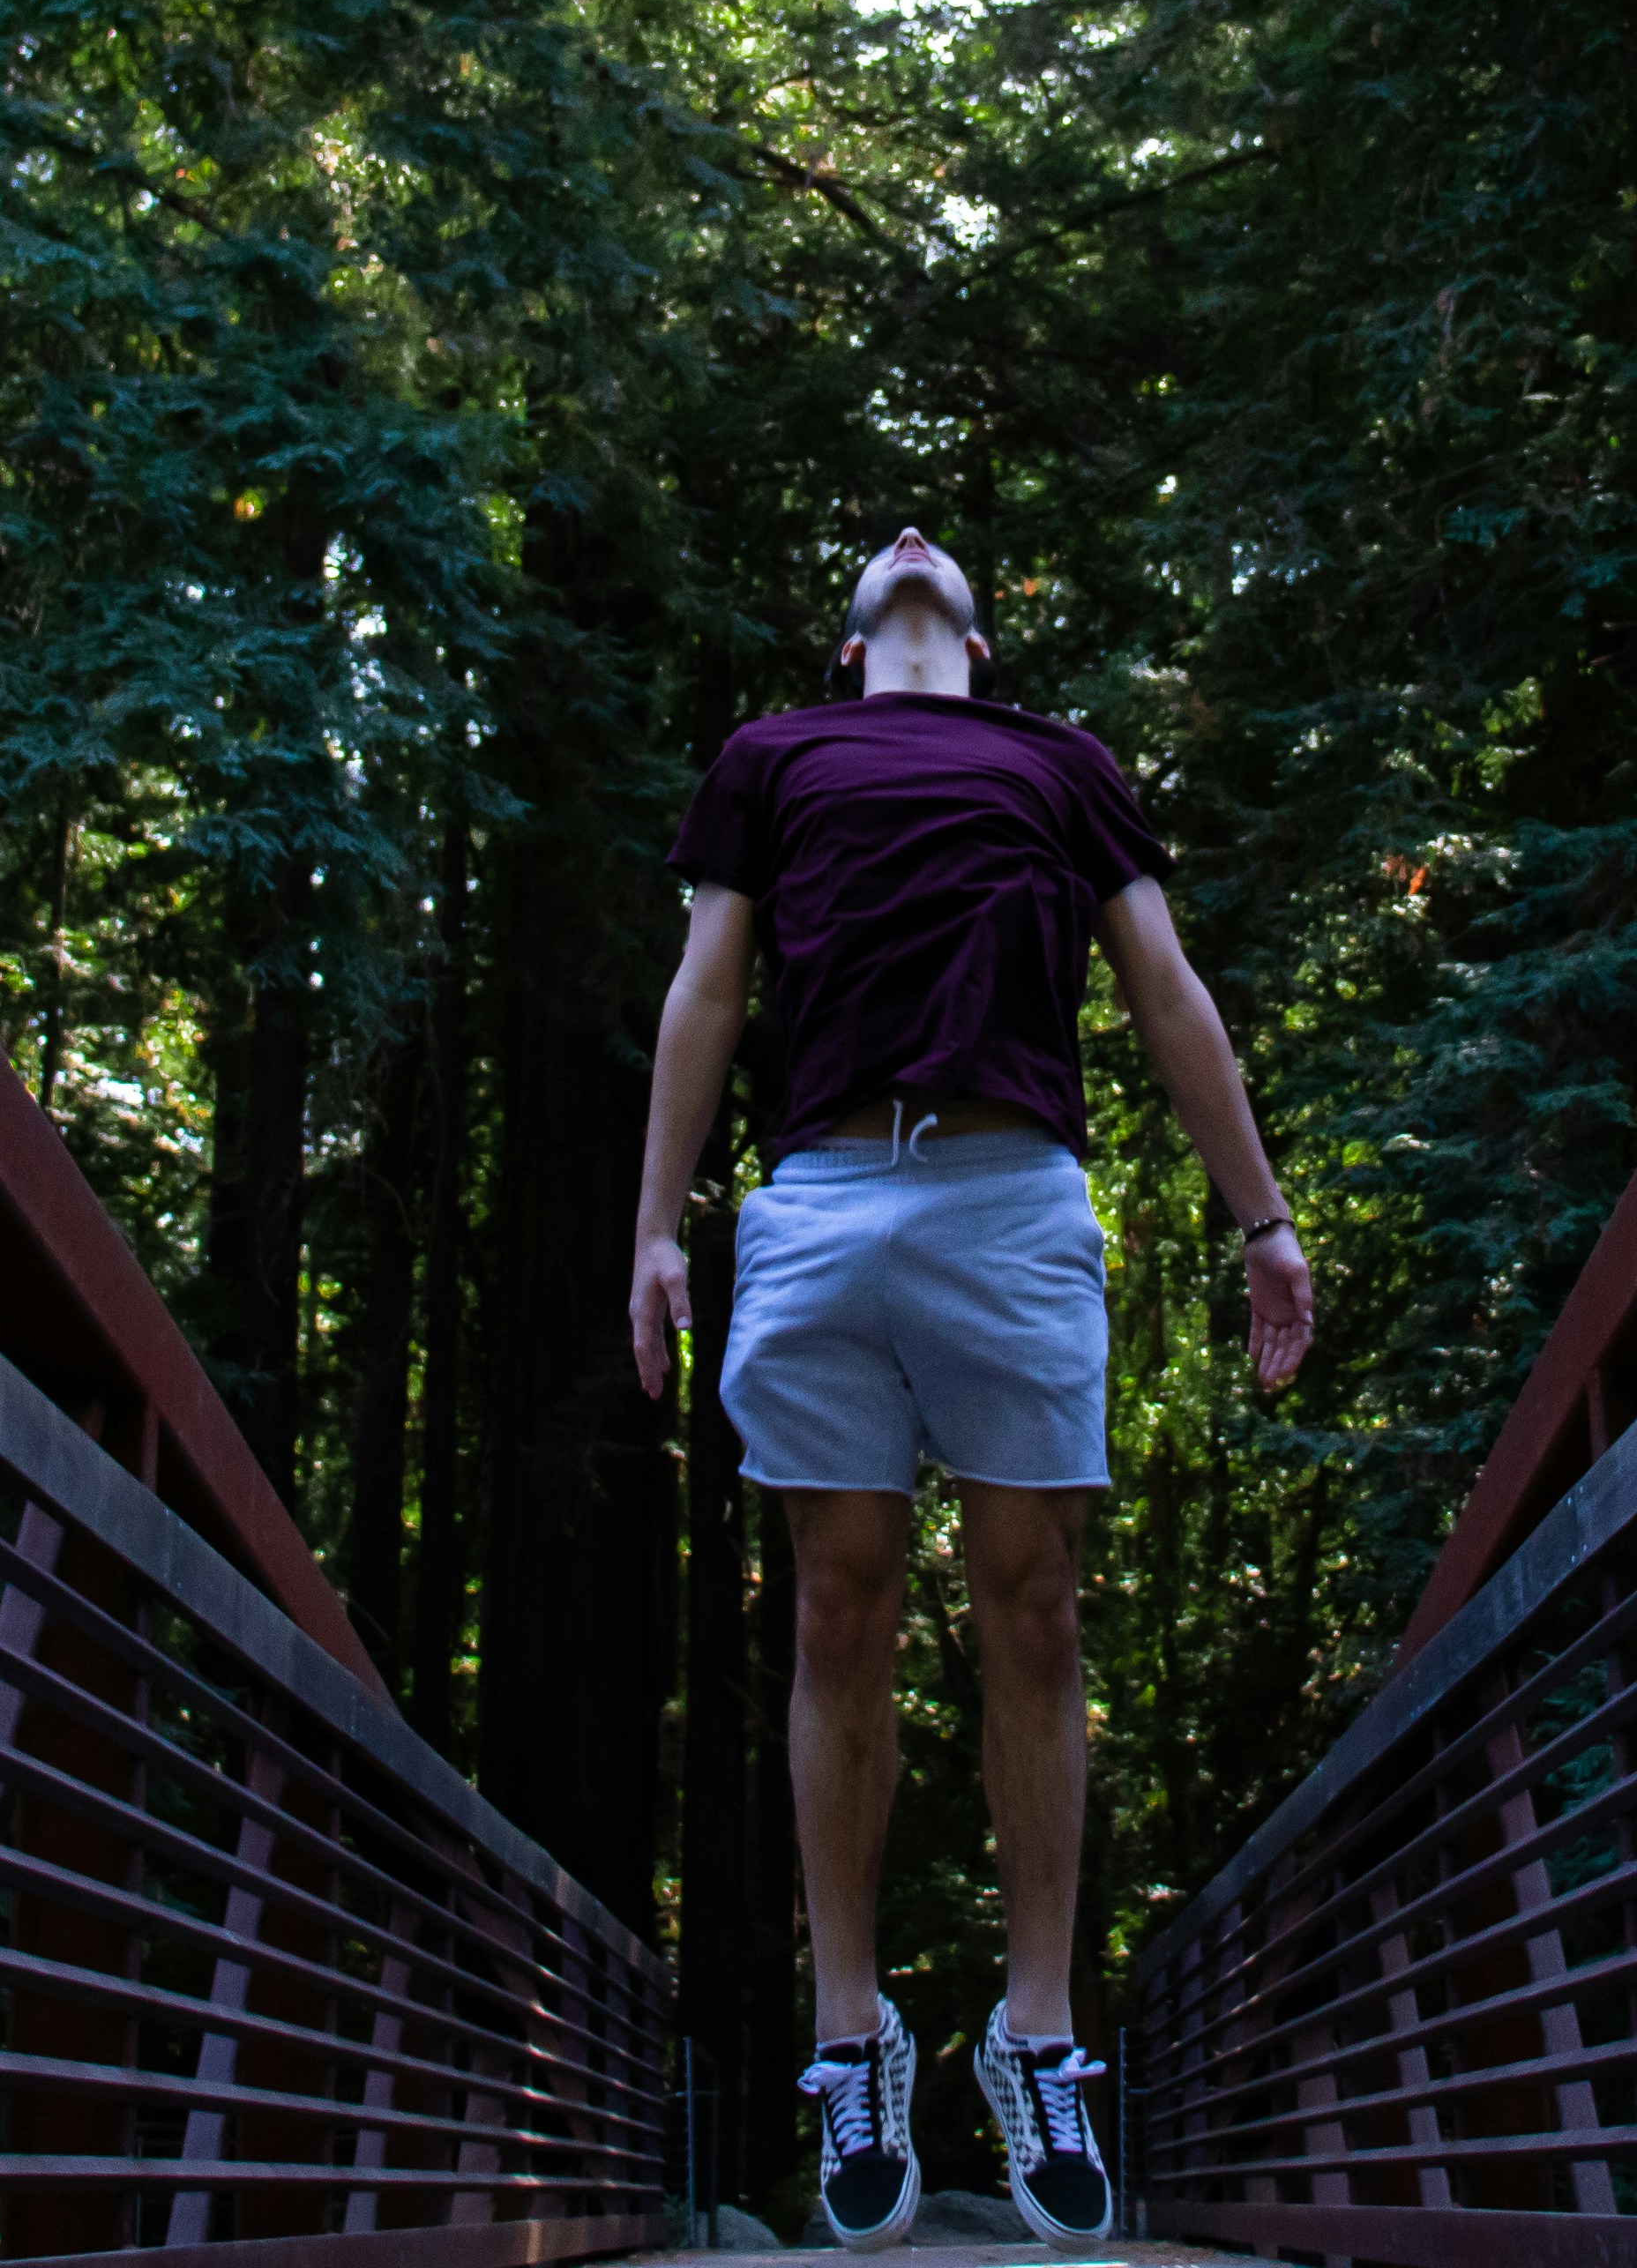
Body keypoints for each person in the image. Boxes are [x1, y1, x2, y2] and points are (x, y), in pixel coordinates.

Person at [629, 531, 1318, 2251]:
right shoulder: (772, 753)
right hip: (822, 1196)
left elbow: (1165, 989)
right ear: (852, 635)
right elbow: (708, 991)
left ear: (977, 634)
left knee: (1034, 1606)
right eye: (889, 548)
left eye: (941, 551)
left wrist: (1268, 1214)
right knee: (838, 1607)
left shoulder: (1059, 760)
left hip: (1012, 1196)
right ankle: (851, 2032)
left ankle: (1037, 2033)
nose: (917, 536)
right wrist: (654, 1225)